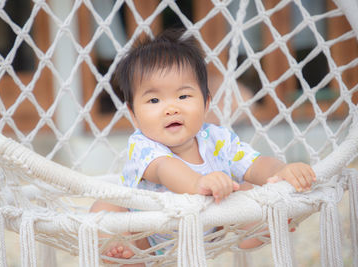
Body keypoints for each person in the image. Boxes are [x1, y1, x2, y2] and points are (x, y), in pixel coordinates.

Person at [91, 28, 316, 264]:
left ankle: (259, 228)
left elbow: (254, 163)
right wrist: (198, 183)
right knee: (105, 207)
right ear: (133, 115)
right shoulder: (143, 145)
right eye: (154, 100)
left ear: (206, 102)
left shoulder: (217, 140)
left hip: (206, 231)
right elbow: (164, 169)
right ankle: (123, 254)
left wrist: (279, 171)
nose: (171, 108)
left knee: (245, 188)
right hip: (146, 235)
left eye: (183, 96)